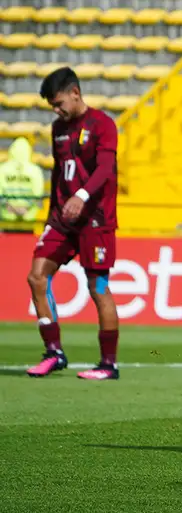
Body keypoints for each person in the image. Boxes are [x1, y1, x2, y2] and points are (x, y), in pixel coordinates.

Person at [26, 67, 121, 380]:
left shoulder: (102, 124)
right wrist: (51, 214)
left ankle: (108, 364)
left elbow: (105, 168)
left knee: (98, 287)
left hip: (95, 219)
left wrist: (81, 195)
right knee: (37, 277)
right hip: (62, 219)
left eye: (58, 103)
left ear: (75, 93)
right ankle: (53, 352)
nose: (56, 110)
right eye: (52, 106)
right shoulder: (58, 128)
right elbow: (57, 173)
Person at [0, 136, 45, 228]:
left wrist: (11, 207)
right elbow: (38, 193)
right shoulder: (35, 170)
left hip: (7, 216)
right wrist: (25, 208)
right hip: (29, 216)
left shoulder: (2, 169)